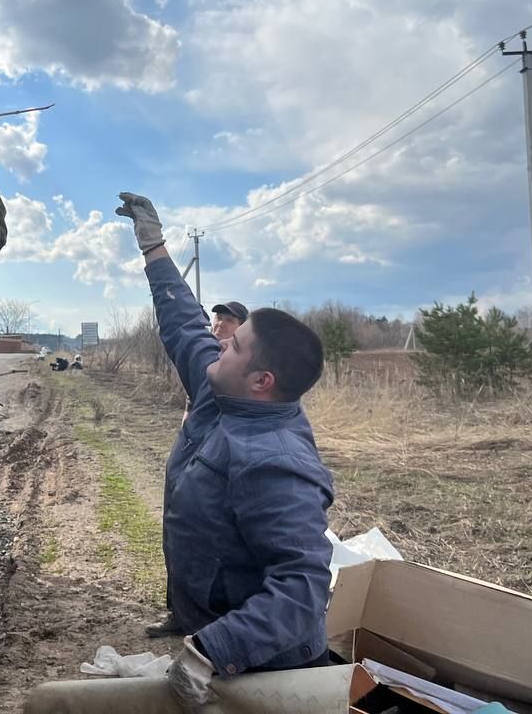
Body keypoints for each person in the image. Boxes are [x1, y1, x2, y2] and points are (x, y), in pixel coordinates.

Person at [115, 192, 334, 712]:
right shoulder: (223, 393)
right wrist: (154, 248)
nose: (220, 345)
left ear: (262, 380)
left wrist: (214, 649)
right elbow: (185, 324)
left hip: (266, 675)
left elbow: (303, 588)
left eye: (235, 346)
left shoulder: (275, 461)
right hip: (215, 637)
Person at [147, 295, 250, 637]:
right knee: (175, 534)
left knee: (211, 543)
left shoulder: (246, 370)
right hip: (190, 454)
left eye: (228, 322)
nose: (219, 325)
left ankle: (214, 623)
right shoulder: (209, 362)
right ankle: (178, 613)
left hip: (222, 466)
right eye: (217, 320)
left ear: (243, 331)